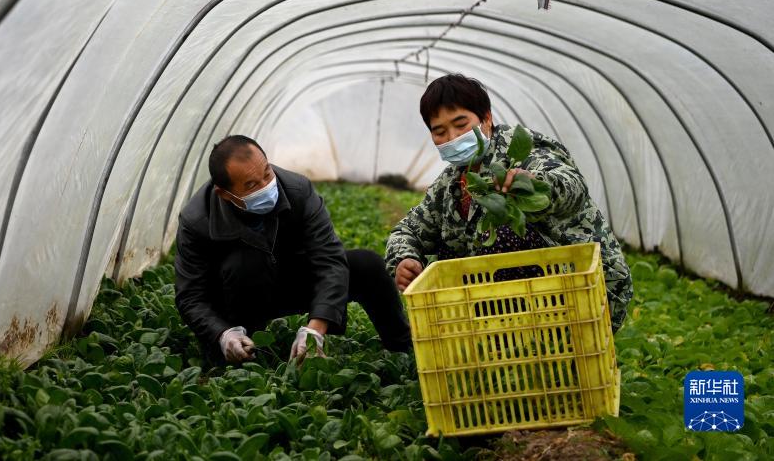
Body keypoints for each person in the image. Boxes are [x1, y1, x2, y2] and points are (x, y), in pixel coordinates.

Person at [385, 74, 633, 331]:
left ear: (486, 118)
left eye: (461, 124)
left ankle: (526, 337)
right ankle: (494, 340)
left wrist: (535, 184)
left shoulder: (523, 149)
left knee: (504, 234)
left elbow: (571, 185)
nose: (453, 137)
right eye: (440, 131)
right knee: (449, 258)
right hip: (512, 303)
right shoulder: (451, 184)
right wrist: (405, 259)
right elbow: (408, 230)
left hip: (584, 290)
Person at [175, 135, 412, 365]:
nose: (266, 186)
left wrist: (316, 327)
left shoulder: (297, 190)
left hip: (289, 278)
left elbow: (329, 259)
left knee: (367, 264)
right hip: (238, 293)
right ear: (225, 194)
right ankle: (243, 347)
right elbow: (190, 295)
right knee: (244, 264)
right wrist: (222, 333)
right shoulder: (196, 220)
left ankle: (404, 347)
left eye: (267, 173)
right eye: (251, 185)